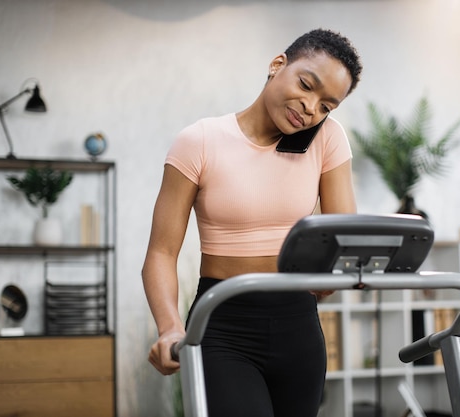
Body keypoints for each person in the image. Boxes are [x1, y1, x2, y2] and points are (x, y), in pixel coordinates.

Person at [142, 28, 363, 417]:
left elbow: (342, 239)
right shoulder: (200, 141)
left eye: (327, 105)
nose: (311, 108)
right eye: (306, 85)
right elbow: (160, 253)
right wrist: (170, 327)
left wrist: (335, 273)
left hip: (299, 326)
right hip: (223, 324)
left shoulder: (327, 139)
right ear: (278, 65)